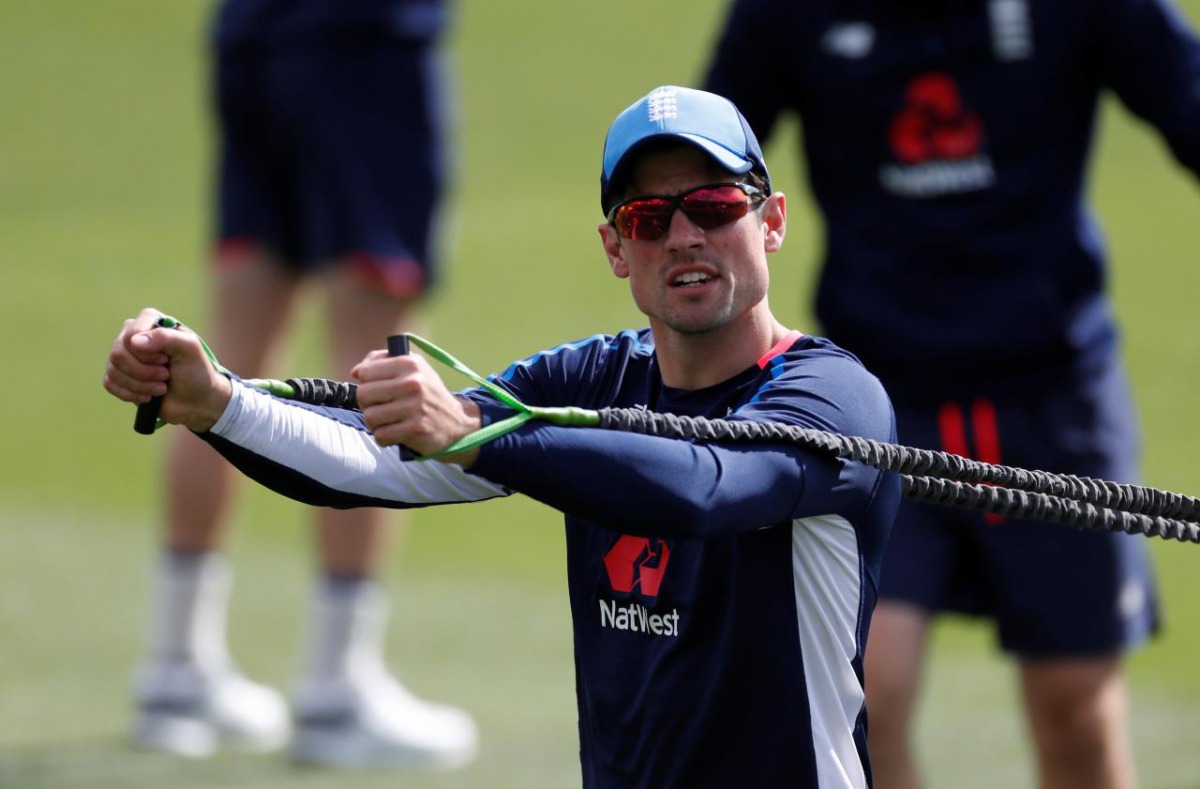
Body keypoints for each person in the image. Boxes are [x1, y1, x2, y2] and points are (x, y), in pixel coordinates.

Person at [105, 85, 902, 788]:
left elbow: (706, 486)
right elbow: (374, 464)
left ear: (772, 221)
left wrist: (475, 436)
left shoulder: (833, 399)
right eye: (648, 218)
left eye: (717, 206)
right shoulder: (591, 378)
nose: (686, 235)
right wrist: (218, 403)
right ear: (616, 249)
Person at [704, 1, 1199, 786]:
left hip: (1054, 392)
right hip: (877, 408)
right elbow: (708, 163)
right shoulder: (788, 13)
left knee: (1076, 703)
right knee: (868, 690)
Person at [132, 0, 477, 770]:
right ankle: (337, 685)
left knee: (222, 362)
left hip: (252, 41)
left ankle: (178, 670)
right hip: (365, 45)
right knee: (377, 359)